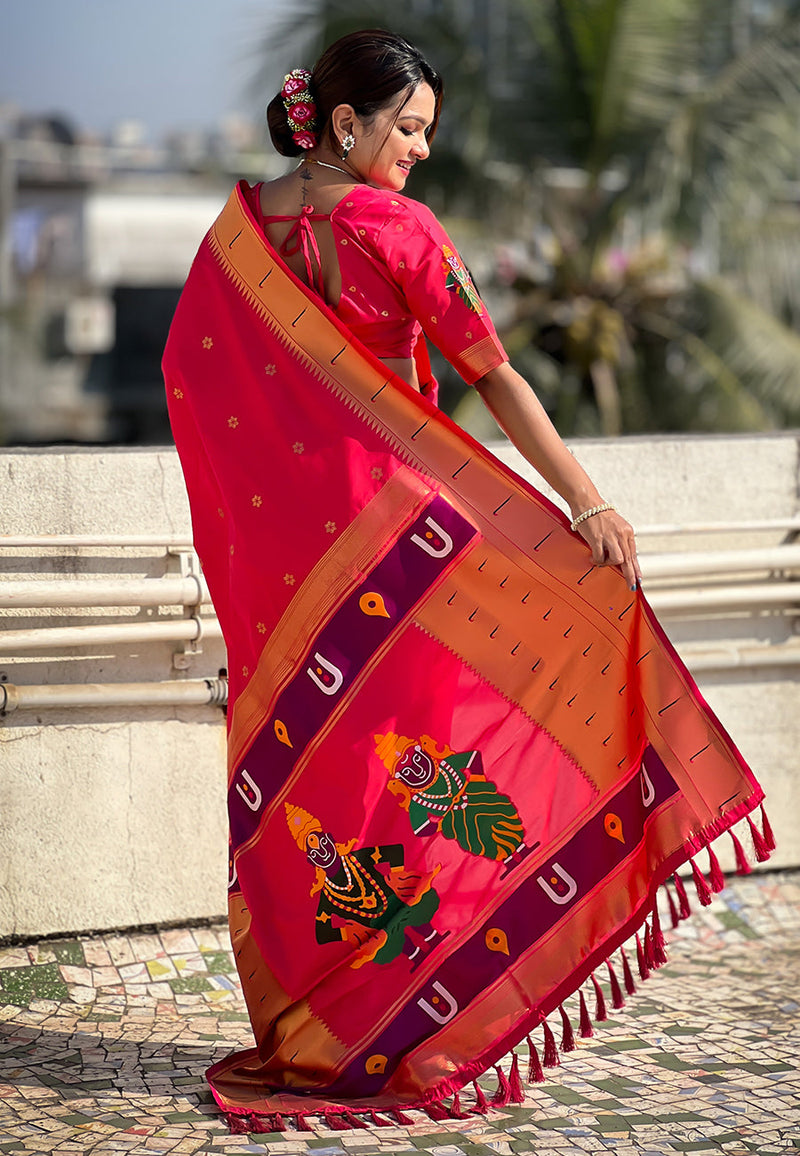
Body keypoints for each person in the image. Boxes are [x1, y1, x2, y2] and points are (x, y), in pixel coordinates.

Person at [163, 28, 768, 1134]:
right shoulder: (395, 228)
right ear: (344, 126)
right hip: (411, 568)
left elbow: (190, 377)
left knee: (327, 789)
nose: (420, 154)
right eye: (408, 130)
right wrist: (584, 502)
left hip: (297, 590)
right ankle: (410, 1026)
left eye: (426, 134)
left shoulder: (235, 234)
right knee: (430, 774)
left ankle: (319, 1027)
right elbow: (493, 379)